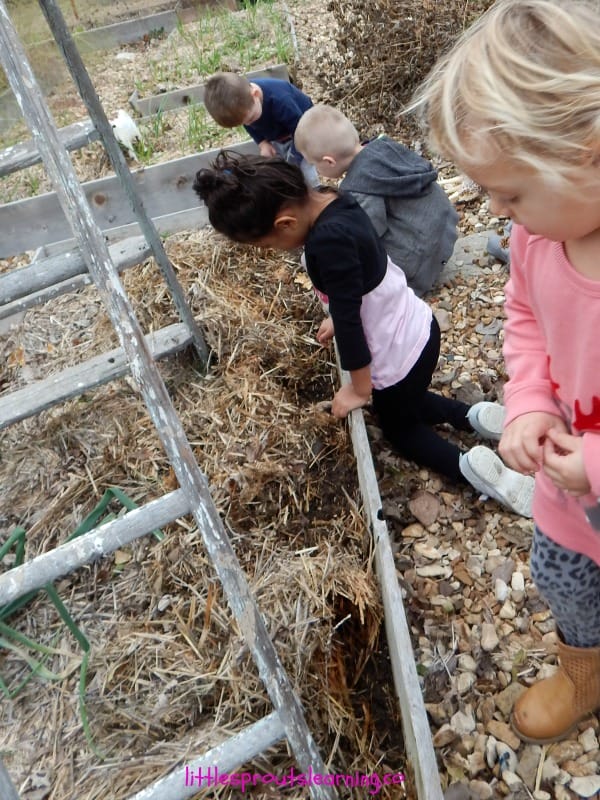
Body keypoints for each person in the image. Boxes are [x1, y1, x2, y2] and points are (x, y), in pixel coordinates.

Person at [412, 0, 600, 744]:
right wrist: (525, 402)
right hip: (567, 502)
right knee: (566, 584)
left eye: (511, 191)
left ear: (588, 148)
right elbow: (525, 322)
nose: (495, 210)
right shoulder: (535, 240)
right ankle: (585, 673)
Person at [193, 150, 534, 518]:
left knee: (400, 428)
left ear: (286, 223)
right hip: (419, 325)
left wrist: (358, 388)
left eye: (267, 245)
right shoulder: (332, 197)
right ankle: (475, 418)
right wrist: (339, 316)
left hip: (395, 353)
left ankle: (470, 467)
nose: (272, 252)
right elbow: (358, 273)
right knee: (411, 399)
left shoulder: (324, 244)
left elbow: (350, 318)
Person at [294, 104, 459, 297]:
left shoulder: (360, 185)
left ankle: (406, 288)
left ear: (329, 161)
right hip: (445, 232)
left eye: (314, 164)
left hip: (420, 263)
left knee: (362, 254)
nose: (315, 170)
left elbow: (367, 234)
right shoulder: (384, 147)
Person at [203, 71, 318, 186]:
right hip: (278, 133)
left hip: (303, 129)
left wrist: (294, 159)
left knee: (304, 171)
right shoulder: (246, 106)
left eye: (251, 119)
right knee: (279, 167)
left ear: (256, 94)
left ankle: (314, 190)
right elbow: (249, 124)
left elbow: (301, 132)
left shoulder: (281, 101)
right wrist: (262, 143)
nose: (248, 125)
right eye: (244, 123)